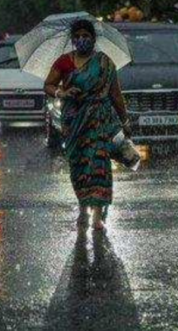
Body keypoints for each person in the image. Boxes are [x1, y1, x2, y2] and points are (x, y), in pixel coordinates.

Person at [44, 19, 131, 230]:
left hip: (100, 120)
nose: (82, 40)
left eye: (86, 36)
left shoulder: (104, 62)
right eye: (78, 37)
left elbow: (115, 94)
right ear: (73, 40)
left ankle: (97, 216)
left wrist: (125, 120)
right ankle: (83, 208)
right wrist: (61, 92)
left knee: (99, 164)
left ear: (93, 38)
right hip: (74, 122)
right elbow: (48, 85)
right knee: (79, 165)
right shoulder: (64, 62)